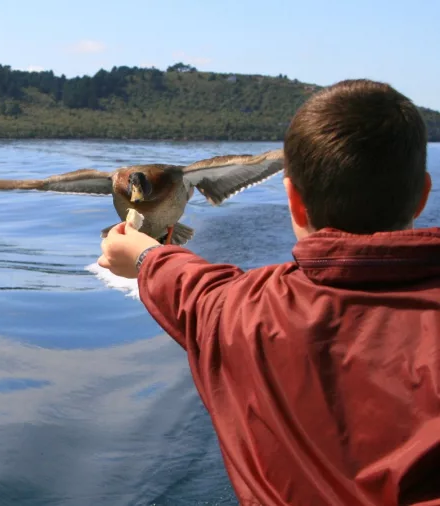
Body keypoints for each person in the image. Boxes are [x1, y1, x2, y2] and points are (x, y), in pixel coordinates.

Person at [98, 79, 440, 506]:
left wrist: (143, 255)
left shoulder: (237, 310)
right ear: (422, 196)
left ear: (294, 201)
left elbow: (185, 285)